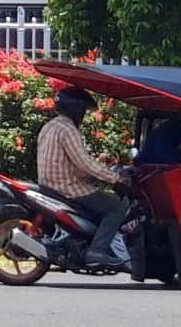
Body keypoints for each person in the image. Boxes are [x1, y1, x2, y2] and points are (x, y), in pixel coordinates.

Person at [36, 86, 130, 266]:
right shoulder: (68, 130)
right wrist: (114, 177)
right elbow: (84, 162)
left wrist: (98, 173)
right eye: (84, 111)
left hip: (49, 185)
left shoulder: (50, 126)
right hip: (68, 188)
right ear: (76, 109)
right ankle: (97, 251)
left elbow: (73, 164)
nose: (84, 116)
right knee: (118, 207)